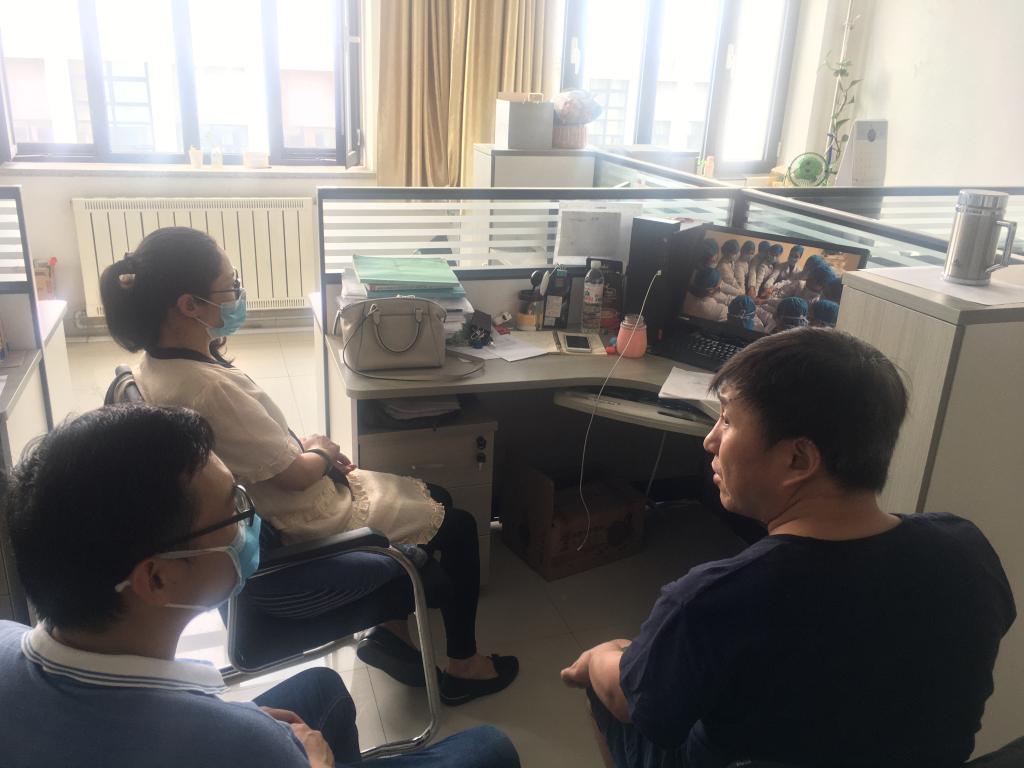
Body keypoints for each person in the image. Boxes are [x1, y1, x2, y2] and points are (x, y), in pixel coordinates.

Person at [560, 328, 1015, 768]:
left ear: (799, 459)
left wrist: (601, 658)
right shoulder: (965, 550)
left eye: (727, 419)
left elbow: (631, 704)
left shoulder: (712, 601)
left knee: (611, 679)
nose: (710, 440)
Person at [98, 227, 517, 705]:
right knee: (458, 527)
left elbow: (254, 450)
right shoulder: (207, 388)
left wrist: (313, 453)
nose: (237, 296)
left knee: (436, 497)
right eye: (230, 286)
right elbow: (294, 476)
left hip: (270, 513)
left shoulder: (154, 368)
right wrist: (319, 451)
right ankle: (465, 667)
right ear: (189, 305)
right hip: (300, 529)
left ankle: (392, 633)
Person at [0, 404, 522, 768]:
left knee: (324, 690)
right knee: (491, 749)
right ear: (156, 578)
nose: (250, 522)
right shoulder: (250, 747)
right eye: (234, 509)